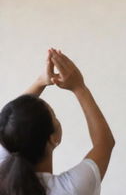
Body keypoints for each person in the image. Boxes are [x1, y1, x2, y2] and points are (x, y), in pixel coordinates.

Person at [0, 48, 115, 195]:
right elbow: (105, 143)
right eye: (54, 116)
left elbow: (10, 122)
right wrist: (79, 87)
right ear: (53, 138)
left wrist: (40, 81)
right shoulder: (72, 188)